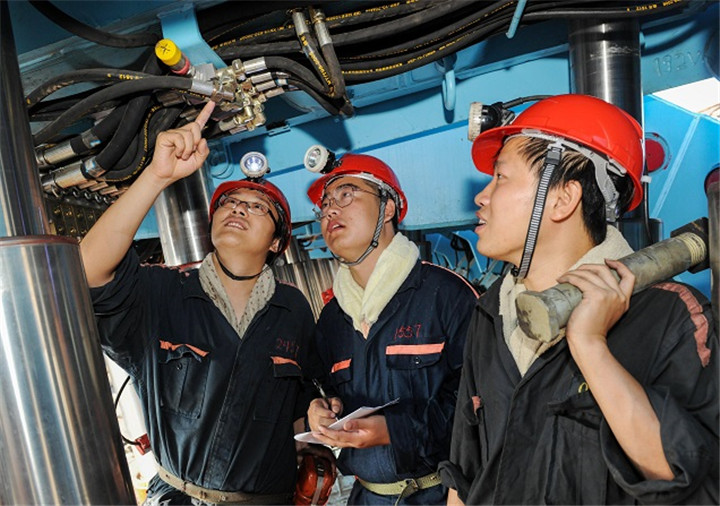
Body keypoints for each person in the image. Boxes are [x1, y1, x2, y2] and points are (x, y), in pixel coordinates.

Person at [440, 94, 719, 504]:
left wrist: (590, 346)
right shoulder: (490, 311)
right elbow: (465, 475)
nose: (482, 196)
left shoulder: (671, 315)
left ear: (562, 200)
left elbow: (691, 480)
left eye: (501, 177)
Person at [81, 100, 320, 505]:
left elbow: (299, 400)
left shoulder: (292, 310)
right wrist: (155, 176)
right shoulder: (163, 293)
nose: (238, 207)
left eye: (258, 207)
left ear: (277, 242)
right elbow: (88, 271)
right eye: (228, 202)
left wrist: (316, 420)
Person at [304, 152, 479, 505]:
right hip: (367, 496)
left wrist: (394, 430)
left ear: (387, 209)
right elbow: (322, 389)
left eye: (346, 194)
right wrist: (319, 409)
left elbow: (479, 402)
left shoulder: (445, 294)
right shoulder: (332, 319)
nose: (330, 210)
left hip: (442, 494)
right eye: (325, 204)